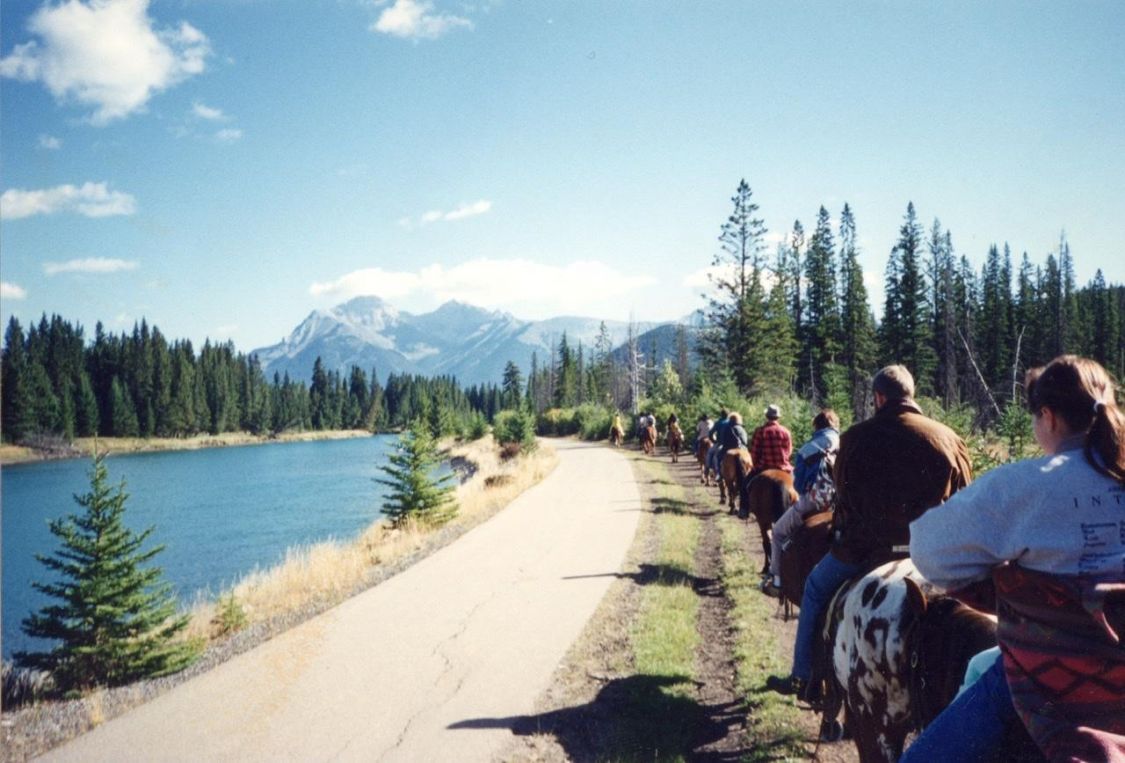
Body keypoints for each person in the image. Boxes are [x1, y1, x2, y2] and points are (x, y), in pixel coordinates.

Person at [902, 356, 1125, 761]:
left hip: (1054, 685)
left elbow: (927, 549)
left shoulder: (1023, 485)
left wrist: (1005, 586)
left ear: (1048, 417)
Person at [766, 365, 972, 700]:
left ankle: (803, 676)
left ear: (878, 397)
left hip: (865, 553)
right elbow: (964, 505)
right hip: (930, 557)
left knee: (816, 589)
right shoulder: (949, 439)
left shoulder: (854, 438)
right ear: (911, 395)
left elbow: (842, 499)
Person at [761, 409, 841, 596]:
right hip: (842, 505)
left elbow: (798, 484)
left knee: (779, 532)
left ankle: (777, 581)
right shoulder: (847, 443)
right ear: (835, 425)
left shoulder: (808, 448)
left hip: (813, 502)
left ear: (817, 426)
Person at [792, 409, 840, 497]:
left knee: (790, 511)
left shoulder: (804, 450)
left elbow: (798, 483)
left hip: (814, 496)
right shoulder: (842, 441)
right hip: (838, 498)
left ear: (816, 425)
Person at [749, 404, 794, 476]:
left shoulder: (760, 431)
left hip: (763, 467)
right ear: (778, 417)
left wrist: (754, 465)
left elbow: (754, 452)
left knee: (746, 484)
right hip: (783, 467)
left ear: (766, 416)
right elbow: (789, 451)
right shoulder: (786, 431)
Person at [707, 408, 731, 476]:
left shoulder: (718, 423)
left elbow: (711, 433)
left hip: (721, 444)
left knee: (711, 453)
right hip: (733, 444)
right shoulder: (731, 422)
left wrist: (714, 441)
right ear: (728, 415)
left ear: (721, 415)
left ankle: (710, 470)